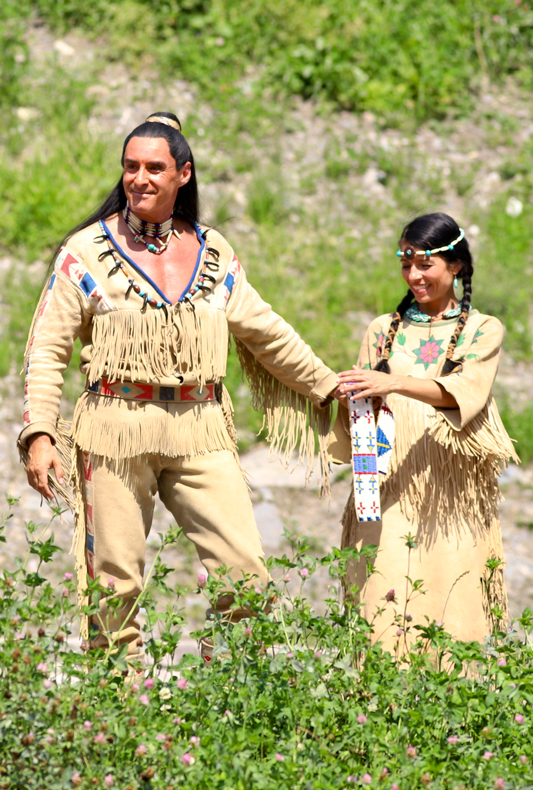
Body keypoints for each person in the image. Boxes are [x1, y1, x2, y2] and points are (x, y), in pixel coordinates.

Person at [19, 112, 338, 660]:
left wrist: (331, 388)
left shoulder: (214, 254)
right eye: (130, 167)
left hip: (201, 426)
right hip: (114, 429)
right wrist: (40, 432)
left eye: (153, 168)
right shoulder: (86, 251)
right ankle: (120, 709)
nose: (139, 178)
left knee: (244, 573)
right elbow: (48, 347)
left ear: (183, 174)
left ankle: (227, 695)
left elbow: (267, 333)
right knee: (113, 581)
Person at [330, 212, 517, 652]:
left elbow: (463, 393)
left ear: (456, 266)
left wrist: (391, 383)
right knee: (382, 608)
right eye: (406, 263)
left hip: (452, 494)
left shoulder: (482, 329)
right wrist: (349, 395)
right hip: (387, 487)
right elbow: (363, 405)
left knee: (454, 612)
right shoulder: (382, 329)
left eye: (425, 264)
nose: (413, 275)